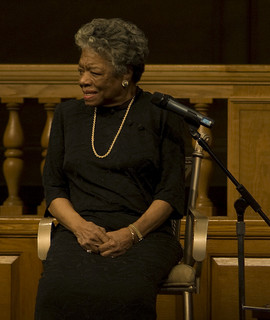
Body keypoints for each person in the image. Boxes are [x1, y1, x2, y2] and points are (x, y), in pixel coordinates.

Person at [35, 18, 185, 320]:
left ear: (125, 74)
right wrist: (79, 227)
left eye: (95, 72)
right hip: (79, 232)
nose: (83, 80)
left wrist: (131, 233)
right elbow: (54, 188)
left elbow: (170, 192)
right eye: (81, 70)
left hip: (145, 233)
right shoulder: (67, 115)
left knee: (126, 294)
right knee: (57, 290)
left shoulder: (161, 115)